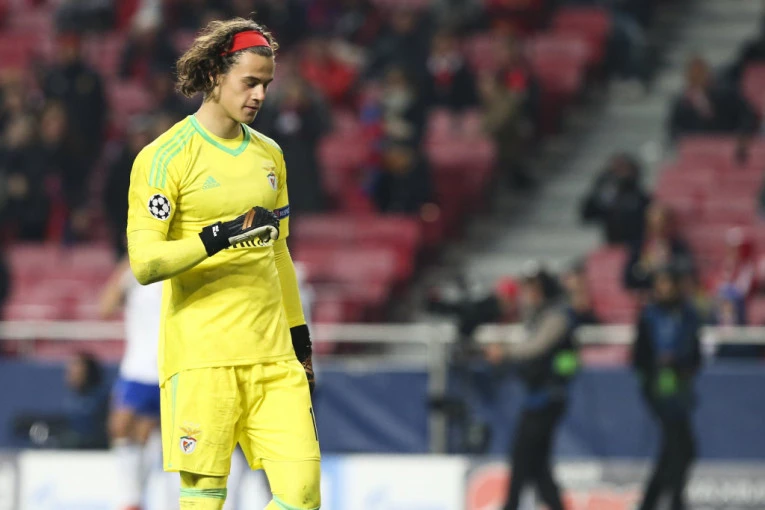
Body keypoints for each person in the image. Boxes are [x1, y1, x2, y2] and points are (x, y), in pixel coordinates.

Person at [126, 18, 320, 510]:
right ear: (215, 75)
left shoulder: (270, 155)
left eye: (266, 85)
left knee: (301, 496)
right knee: (204, 500)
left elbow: (279, 253)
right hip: (202, 359)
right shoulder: (164, 157)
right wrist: (218, 236)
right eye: (249, 82)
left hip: (274, 358)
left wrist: (300, 341)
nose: (259, 95)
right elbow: (145, 264)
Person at [485, 264, 579, 510]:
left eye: (533, 288)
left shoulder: (557, 316)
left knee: (522, 458)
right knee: (538, 465)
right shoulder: (539, 315)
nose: (529, 295)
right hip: (538, 396)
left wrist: (505, 352)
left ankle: (511, 506)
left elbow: (536, 347)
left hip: (549, 397)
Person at [633, 266, 701, 510]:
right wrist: (653, 376)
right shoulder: (649, 316)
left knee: (677, 451)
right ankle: (675, 502)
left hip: (681, 391)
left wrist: (681, 367)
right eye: (659, 283)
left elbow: (695, 353)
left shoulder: (688, 314)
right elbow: (639, 357)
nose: (663, 288)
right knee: (680, 449)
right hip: (658, 392)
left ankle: (651, 503)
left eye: (667, 283)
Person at [99, 257, 162, 510]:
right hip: (136, 367)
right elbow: (104, 308)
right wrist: (125, 267)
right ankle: (132, 499)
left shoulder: (179, 261)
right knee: (120, 427)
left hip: (168, 365)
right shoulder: (133, 269)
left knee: (153, 434)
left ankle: (144, 497)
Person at [668, 56, 758, 142]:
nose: (696, 77)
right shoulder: (682, 104)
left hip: (726, 144)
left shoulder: (726, 94)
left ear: (708, 74)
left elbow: (749, 116)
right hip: (697, 147)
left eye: (700, 73)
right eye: (693, 74)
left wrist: (743, 135)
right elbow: (674, 129)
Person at [580, 153, 651, 246]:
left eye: (622, 169)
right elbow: (587, 215)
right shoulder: (607, 193)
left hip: (636, 243)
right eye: (615, 170)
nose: (619, 174)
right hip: (612, 243)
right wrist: (599, 193)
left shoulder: (639, 197)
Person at [624, 204, 694, 291]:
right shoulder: (639, 247)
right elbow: (628, 279)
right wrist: (643, 269)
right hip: (648, 293)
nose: (657, 229)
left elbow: (688, 272)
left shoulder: (677, 246)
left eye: (661, 224)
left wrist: (669, 264)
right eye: (653, 225)